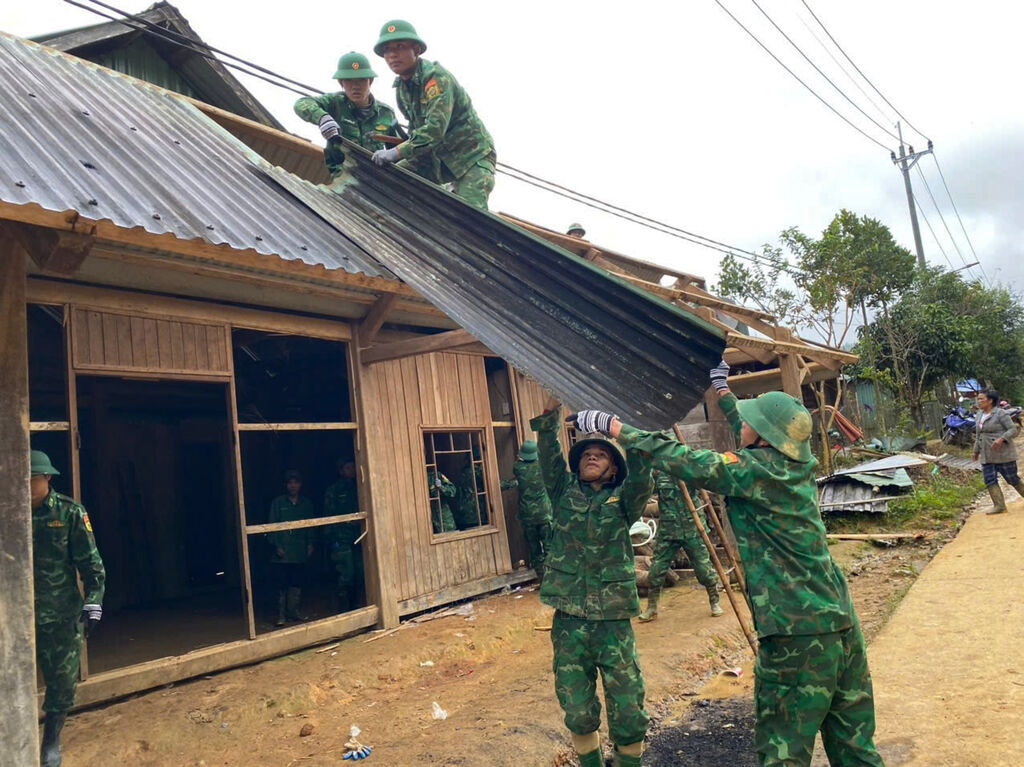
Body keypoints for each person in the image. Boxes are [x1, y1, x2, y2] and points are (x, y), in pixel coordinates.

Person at [570, 360, 885, 767]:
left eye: (751, 421)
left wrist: (614, 427)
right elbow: (754, 430)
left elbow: (685, 460)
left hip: (796, 631)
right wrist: (722, 389)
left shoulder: (754, 471)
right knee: (855, 746)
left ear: (765, 438)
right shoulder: (794, 463)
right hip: (839, 620)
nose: (743, 424)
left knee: (783, 750)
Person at [529, 405, 654, 767]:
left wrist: (619, 431)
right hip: (569, 619)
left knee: (628, 705)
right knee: (577, 706)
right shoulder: (563, 492)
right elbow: (549, 455)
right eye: (586, 454)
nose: (592, 458)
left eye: (601, 455)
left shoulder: (625, 500)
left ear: (614, 468)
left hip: (613, 621)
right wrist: (549, 417)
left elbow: (642, 471)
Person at [30, 450, 106, 767]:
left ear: (47, 477)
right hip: (14, 615)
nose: (26, 486)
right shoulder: (8, 510)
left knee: (62, 679)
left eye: (32, 479)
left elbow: (91, 563)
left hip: (59, 612)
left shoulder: (69, 511)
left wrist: (94, 601)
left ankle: (51, 740)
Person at [371, 20, 497, 210]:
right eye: (387, 50)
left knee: (470, 216)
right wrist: (402, 149)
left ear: (416, 50)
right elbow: (416, 131)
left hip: (471, 157)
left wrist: (395, 152)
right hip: (436, 157)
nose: (392, 55)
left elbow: (434, 130)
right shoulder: (402, 90)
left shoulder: (436, 78)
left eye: (400, 47)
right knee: (391, 181)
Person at [293, 51, 402, 178]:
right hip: (341, 176)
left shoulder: (386, 113)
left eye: (361, 80)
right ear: (341, 83)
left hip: (376, 178)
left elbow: (399, 151)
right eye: (349, 80)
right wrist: (322, 118)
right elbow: (302, 103)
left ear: (370, 81)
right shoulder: (335, 103)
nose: (355, 86)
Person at [638, 468, 722, 621]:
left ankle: (714, 600)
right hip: (668, 531)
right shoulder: (659, 474)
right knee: (656, 569)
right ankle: (652, 607)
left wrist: (689, 471)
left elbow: (705, 480)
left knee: (704, 568)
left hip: (692, 528)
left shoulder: (688, 469)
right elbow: (645, 487)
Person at [500, 440, 553, 577]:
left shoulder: (518, 467)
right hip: (544, 513)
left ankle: (541, 575)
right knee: (549, 545)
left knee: (534, 547)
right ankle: (552, 575)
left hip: (528, 514)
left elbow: (519, 465)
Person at [268, 470, 314, 626]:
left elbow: (310, 525)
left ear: (300, 485)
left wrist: (310, 543)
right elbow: (271, 526)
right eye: (290, 483)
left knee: (296, 582)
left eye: (296, 482)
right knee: (281, 584)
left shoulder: (306, 504)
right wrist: (277, 546)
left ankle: (293, 612)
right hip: (283, 552)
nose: (293, 486)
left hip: (299, 550)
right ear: (286, 485)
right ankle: (281, 615)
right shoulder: (278, 503)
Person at [973, 389, 1023, 514]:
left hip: (1003, 453)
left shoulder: (1001, 414)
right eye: (978, 399)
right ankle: (999, 506)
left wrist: (1002, 439)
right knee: (989, 479)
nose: (979, 401)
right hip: (986, 453)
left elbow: (1012, 429)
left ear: (990, 400)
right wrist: (976, 451)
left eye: (981, 399)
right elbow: (978, 434)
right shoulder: (979, 415)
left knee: (1012, 479)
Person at [323, 460, 364, 611]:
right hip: (341, 539)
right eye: (348, 468)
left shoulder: (361, 487)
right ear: (341, 471)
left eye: (353, 467)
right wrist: (332, 539)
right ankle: (345, 609)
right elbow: (328, 515)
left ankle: (356, 605)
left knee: (360, 572)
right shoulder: (334, 490)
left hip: (359, 537)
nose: (351, 470)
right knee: (346, 573)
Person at [427, 467, 457, 533]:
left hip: (443, 516)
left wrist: (441, 487)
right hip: (426, 518)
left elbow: (452, 490)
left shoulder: (436, 475)